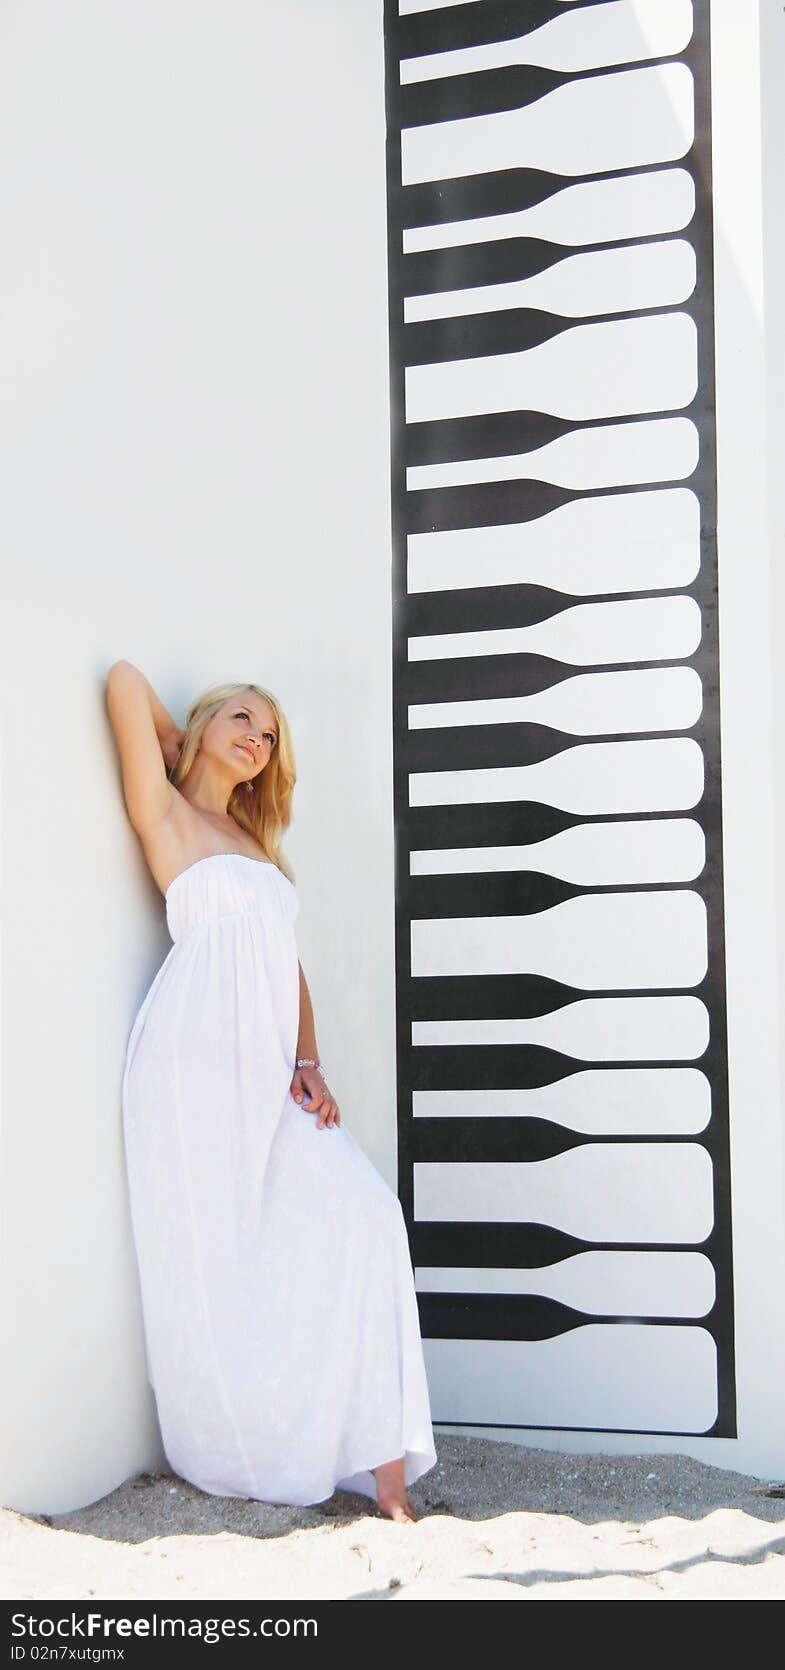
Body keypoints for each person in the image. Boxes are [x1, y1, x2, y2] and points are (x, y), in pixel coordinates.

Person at [106, 659, 437, 1522]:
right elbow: (122, 680)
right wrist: (182, 744)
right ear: (207, 725)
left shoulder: (258, 848)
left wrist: (310, 1062)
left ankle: (387, 1477)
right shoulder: (166, 812)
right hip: (190, 1061)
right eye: (243, 722)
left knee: (366, 1216)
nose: (257, 741)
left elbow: (287, 970)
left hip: (269, 1064)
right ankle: (245, 1437)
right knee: (216, 1253)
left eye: (269, 736)